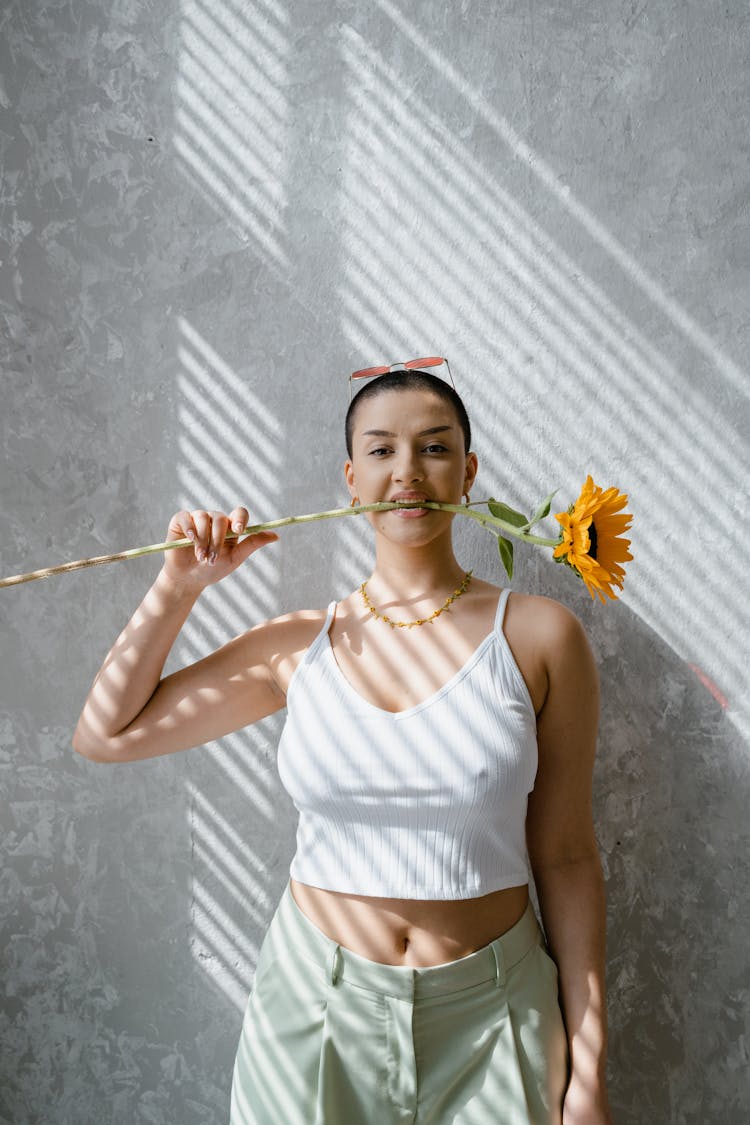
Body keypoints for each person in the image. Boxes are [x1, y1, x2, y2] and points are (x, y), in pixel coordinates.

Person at [73, 367, 612, 1125]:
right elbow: (104, 733)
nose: (408, 472)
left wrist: (588, 1068)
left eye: (434, 447)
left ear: (469, 470)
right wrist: (178, 588)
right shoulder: (297, 646)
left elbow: (565, 856)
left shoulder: (542, 637)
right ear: (351, 479)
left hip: (497, 1017)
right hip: (315, 1012)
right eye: (382, 450)